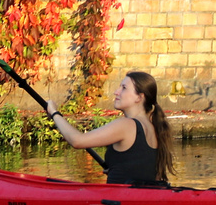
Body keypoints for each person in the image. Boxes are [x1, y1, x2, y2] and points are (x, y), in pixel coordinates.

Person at [44, 71, 173, 185]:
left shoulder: (126, 125)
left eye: (123, 88)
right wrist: (117, 169)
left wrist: (54, 112)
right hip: (136, 201)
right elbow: (143, 170)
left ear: (139, 97)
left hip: (118, 203)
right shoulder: (154, 127)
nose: (116, 92)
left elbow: (77, 141)